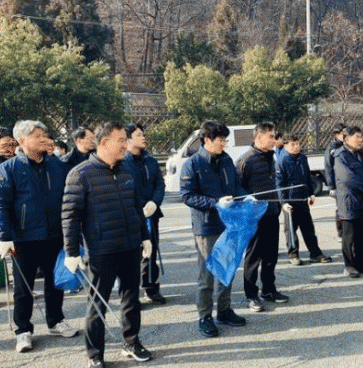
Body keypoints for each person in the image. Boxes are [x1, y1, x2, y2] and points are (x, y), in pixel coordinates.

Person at [62, 122, 153, 368]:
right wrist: (71, 252)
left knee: (131, 299)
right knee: (97, 305)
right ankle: (95, 355)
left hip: (130, 246)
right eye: (121, 140)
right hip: (102, 250)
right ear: (103, 143)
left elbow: (136, 207)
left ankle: (132, 342)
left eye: (126, 140)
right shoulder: (80, 174)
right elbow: (70, 216)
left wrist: (144, 237)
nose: (126, 145)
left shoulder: (126, 171)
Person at [0, 121, 78, 353]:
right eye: (38, 136)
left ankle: (56, 321)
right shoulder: (8, 169)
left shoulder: (57, 165)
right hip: (24, 238)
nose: (44, 139)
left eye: (44, 135)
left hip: (54, 235)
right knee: (23, 288)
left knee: (55, 282)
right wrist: (4, 236)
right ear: (22, 140)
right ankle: (23, 330)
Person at [180, 120, 248, 338]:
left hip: (228, 224)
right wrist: (215, 202)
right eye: (220, 140)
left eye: (225, 140)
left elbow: (235, 186)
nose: (224, 144)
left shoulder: (226, 160)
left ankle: (224, 310)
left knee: (227, 269)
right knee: (207, 274)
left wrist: (246, 196)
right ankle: (205, 316)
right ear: (207, 140)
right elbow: (188, 196)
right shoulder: (192, 164)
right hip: (207, 226)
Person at [236, 122, 288, 312]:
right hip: (254, 217)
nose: (275, 140)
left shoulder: (271, 157)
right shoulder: (246, 160)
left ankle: (269, 289)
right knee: (253, 257)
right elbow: (237, 189)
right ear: (259, 137)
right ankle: (251, 295)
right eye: (271, 136)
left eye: (275, 136)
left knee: (271, 255)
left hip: (272, 213)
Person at [122, 123, 166, 305]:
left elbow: (160, 184)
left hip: (151, 213)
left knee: (151, 252)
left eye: (143, 134)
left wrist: (154, 202)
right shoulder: (122, 162)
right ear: (128, 139)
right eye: (139, 135)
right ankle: (131, 296)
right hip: (131, 215)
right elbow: (125, 189)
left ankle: (151, 287)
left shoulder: (150, 160)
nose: (144, 137)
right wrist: (139, 206)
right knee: (131, 255)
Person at [276, 134, 332, 266]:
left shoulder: (303, 158)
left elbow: (307, 177)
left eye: (297, 144)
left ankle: (315, 254)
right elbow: (279, 184)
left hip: (303, 199)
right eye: (292, 144)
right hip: (290, 202)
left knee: (308, 229)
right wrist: (284, 203)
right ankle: (293, 254)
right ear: (285, 146)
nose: (296, 147)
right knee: (291, 230)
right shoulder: (282, 161)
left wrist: (311, 194)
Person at [333, 126, 363, 278]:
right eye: (357, 137)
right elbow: (347, 178)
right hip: (349, 201)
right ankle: (349, 265)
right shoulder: (341, 156)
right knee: (349, 236)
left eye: (361, 136)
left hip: (362, 200)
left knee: (362, 234)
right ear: (346, 139)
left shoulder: (361, 155)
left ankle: (360, 263)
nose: (361, 140)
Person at [0, 128, 18, 309]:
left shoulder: (17, 161)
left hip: (15, 216)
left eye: (12, 143)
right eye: (5, 143)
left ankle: (21, 289)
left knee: (18, 255)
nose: (9, 148)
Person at [324, 123, 346, 240]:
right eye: (343, 133)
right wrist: (331, 186)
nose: (345, 135)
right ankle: (341, 233)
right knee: (340, 209)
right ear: (337, 134)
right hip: (337, 184)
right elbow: (328, 167)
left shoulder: (346, 145)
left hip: (346, 183)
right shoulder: (332, 148)